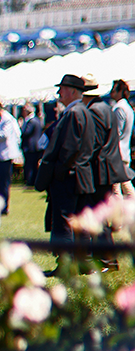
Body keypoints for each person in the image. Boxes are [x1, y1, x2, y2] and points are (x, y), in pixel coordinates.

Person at [38, 74, 95, 243]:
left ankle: (65, 263)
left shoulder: (73, 113)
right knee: (80, 220)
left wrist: (58, 172)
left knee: (64, 220)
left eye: (62, 89)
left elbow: (69, 148)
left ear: (71, 91)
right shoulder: (84, 111)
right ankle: (84, 261)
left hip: (69, 176)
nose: (59, 93)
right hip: (81, 175)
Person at [81, 74, 132, 241]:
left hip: (108, 160)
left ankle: (119, 224)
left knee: (113, 197)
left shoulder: (114, 109)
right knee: (122, 191)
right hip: (117, 156)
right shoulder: (119, 107)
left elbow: (102, 138)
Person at [0, 100, 22, 215]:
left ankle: (4, 207)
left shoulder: (7, 119)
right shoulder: (1, 119)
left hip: (5, 156)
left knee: (4, 182)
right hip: (0, 154)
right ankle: (1, 205)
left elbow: (4, 135)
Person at [110, 79, 135, 198]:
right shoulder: (128, 107)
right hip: (125, 151)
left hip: (117, 152)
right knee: (125, 184)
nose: (111, 93)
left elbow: (116, 132)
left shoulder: (119, 108)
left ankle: (119, 213)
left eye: (113, 90)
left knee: (116, 187)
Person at [20, 103, 44, 187]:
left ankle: (30, 181)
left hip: (30, 146)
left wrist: (21, 127)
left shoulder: (31, 121)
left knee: (29, 165)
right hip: (36, 146)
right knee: (33, 165)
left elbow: (26, 132)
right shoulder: (37, 120)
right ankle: (33, 181)